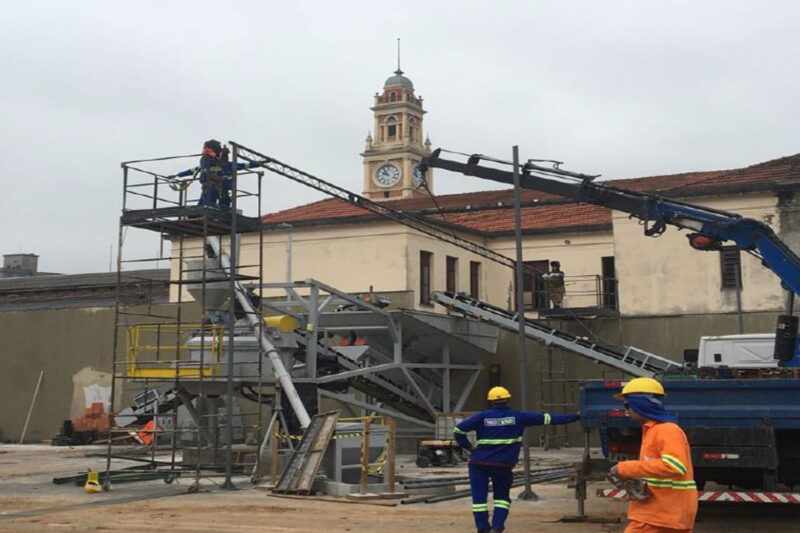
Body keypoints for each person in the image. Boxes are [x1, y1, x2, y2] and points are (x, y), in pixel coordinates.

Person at [453, 386, 580, 533]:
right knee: (501, 498)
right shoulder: (519, 416)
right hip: (503, 465)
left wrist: (470, 448)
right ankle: (497, 527)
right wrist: (576, 416)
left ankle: (483, 529)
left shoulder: (482, 417)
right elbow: (550, 419)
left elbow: (458, 430)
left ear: (490, 401)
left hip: (479, 464)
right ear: (508, 399)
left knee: (479, 500)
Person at [611, 377, 697, 533]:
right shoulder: (652, 430)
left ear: (641, 403)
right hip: (661, 513)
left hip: (661, 515)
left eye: (627, 405)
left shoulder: (667, 430)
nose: (626, 410)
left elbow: (674, 465)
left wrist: (626, 469)